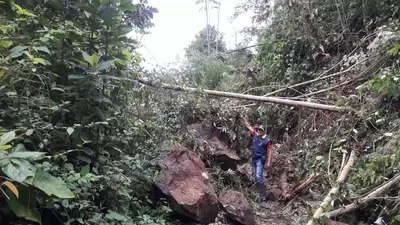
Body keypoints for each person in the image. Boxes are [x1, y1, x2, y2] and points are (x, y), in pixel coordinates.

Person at [239, 114, 272, 201]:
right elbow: (249, 126)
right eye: (259, 130)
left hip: (260, 160)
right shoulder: (255, 135)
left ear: (264, 131)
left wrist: (268, 162)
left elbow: (270, 151)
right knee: (254, 176)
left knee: (258, 176)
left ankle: (262, 195)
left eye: (261, 130)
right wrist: (243, 119)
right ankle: (258, 192)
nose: (260, 131)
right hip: (253, 159)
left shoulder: (267, 140)